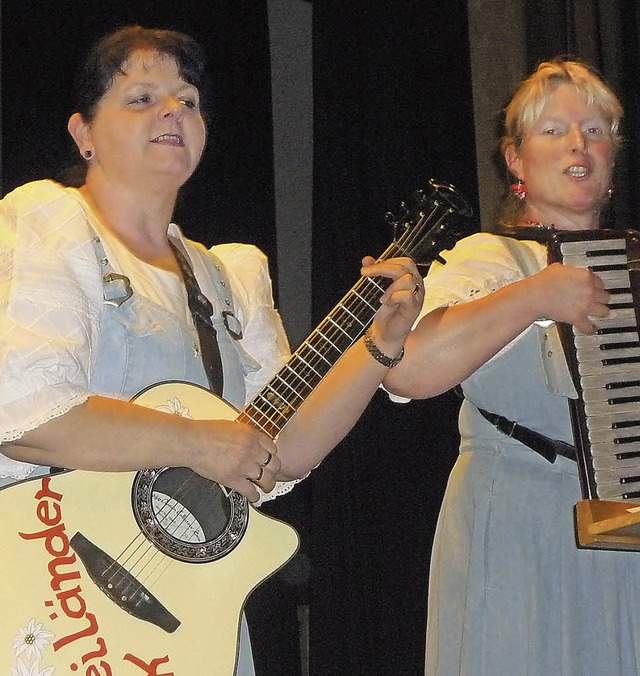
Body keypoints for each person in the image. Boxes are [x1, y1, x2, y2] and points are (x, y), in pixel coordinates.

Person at [0, 26, 424, 675]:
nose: (174, 111)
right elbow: (29, 415)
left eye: (189, 100)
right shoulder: (49, 223)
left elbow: (278, 455)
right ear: (84, 133)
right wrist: (199, 443)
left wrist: (378, 347)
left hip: (184, 622)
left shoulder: (226, 277)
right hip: (53, 595)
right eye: (143, 97)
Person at [383, 59, 640, 675]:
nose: (579, 142)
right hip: (518, 521)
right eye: (553, 130)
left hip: (625, 532)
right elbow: (408, 370)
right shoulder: (490, 258)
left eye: (595, 129)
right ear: (516, 161)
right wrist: (536, 296)